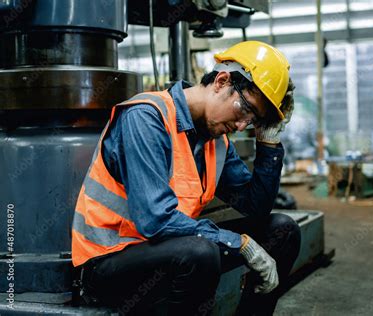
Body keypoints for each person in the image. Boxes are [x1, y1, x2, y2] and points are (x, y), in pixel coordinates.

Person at [71, 40, 301, 315]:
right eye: (244, 109)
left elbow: (255, 209)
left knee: (283, 231)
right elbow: (156, 220)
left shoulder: (217, 141)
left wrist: (268, 145)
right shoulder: (146, 117)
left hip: (168, 249)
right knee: (199, 252)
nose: (241, 126)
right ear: (222, 80)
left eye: (253, 120)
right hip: (108, 261)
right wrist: (239, 243)